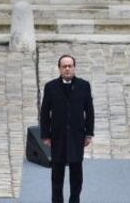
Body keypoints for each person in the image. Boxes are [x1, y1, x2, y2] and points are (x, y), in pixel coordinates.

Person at [40, 54, 94, 203]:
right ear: (59, 69)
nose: (67, 69)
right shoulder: (50, 87)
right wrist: (45, 134)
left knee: (76, 173)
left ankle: (74, 200)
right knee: (57, 173)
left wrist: (89, 133)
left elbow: (89, 111)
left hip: (77, 137)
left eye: (70, 66)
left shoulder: (84, 86)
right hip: (58, 136)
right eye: (64, 66)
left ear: (74, 67)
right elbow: (45, 112)